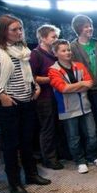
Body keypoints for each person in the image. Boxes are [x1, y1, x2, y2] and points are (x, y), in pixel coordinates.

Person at [0, 14, 51, 193]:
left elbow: (26, 72)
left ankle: (31, 175)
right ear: (3, 31)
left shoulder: (22, 47)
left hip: (27, 100)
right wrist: (0, 95)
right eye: (14, 29)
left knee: (26, 140)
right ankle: (14, 184)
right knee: (10, 145)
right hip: (7, 105)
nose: (19, 32)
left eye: (20, 29)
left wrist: (35, 86)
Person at [48, 40, 97, 174]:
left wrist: (73, 87)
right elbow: (62, 88)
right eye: (63, 51)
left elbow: (90, 83)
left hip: (85, 106)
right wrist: (81, 84)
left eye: (68, 50)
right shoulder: (53, 70)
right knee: (74, 137)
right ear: (55, 53)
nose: (68, 52)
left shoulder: (79, 65)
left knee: (91, 134)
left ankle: (93, 156)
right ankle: (80, 161)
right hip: (68, 109)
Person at [69, 15, 97, 154]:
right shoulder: (72, 47)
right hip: (83, 90)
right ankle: (91, 150)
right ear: (78, 28)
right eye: (86, 26)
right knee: (87, 123)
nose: (89, 28)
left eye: (90, 25)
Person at [30, 24, 64, 170]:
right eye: (53, 37)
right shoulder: (35, 54)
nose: (56, 39)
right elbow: (31, 77)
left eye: (57, 36)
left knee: (58, 126)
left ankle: (58, 154)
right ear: (43, 38)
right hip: (44, 97)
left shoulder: (53, 54)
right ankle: (49, 159)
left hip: (57, 95)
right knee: (47, 128)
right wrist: (53, 79)